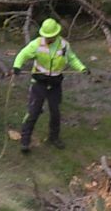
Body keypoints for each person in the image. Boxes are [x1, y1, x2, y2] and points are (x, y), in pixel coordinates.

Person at [11, 17, 87, 153]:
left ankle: (54, 137)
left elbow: (72, 59)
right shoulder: (36, 44)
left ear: (56, 34)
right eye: (46, 36)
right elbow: (22, 54)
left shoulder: (64, 45)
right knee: (33, 111)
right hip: (39, 83)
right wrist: (17, 66)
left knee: (55, 112)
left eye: (50, 36)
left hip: (55, 84)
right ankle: (25, 141)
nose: (48, 39)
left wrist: (82, 68)